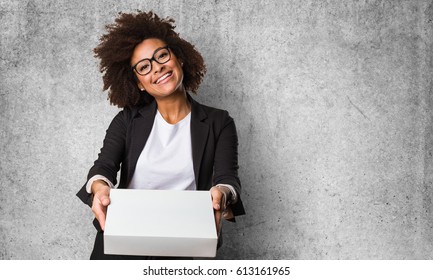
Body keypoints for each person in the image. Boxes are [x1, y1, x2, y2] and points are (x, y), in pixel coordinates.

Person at [76, 11, 245, 260]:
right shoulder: (127, 121)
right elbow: (103, 167)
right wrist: (99, 188)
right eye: (144, 67)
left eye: (162, 55)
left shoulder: (219, 122)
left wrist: (222, 193)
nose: (158, 68)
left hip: (187, 243)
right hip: (122, 240)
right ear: (139, 83)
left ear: (179, 59)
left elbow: (227, 178)